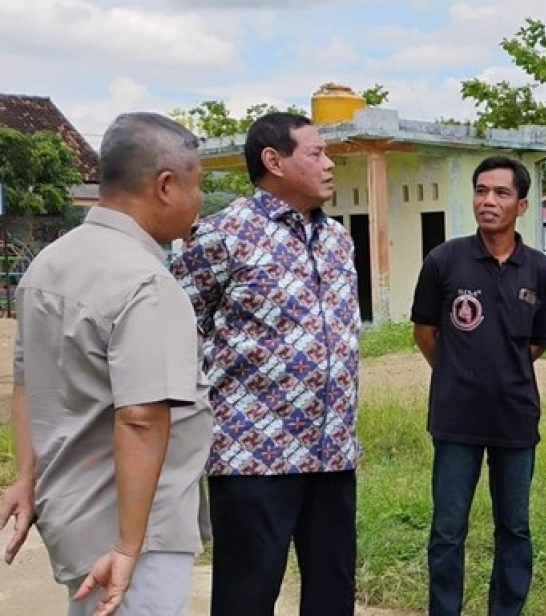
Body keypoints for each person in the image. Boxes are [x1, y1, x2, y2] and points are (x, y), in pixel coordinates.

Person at [0, 112, 212, 615]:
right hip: (136, 528)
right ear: (166, 186)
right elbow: (140, 418)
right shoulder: (146, 285)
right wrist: (128, 547)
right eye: (197, 184)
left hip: (73, 515)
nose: (200, 200)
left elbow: (27, 383)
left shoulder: (48, 264)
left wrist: (25, 477)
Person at [172, 112, 361, 616]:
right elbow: (175, 326)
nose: (329, 163)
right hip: (255, 455)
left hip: (332, 452)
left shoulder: (339, 241)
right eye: (316, 153)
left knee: (333, 590)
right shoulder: (223, 236)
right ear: (274, 161)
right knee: (247, 595)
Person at [411, 155, 546, 615]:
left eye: (501, 193)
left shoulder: (539, 270)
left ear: (522, 205)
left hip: (515, 418)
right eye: (481, 191)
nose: (488, 201)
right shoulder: (444, 261)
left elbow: (538, 343)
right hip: (455, 418)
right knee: (448, 529)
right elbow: (425, 332)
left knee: (514, 527)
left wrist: (500, 370)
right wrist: (461, 371)